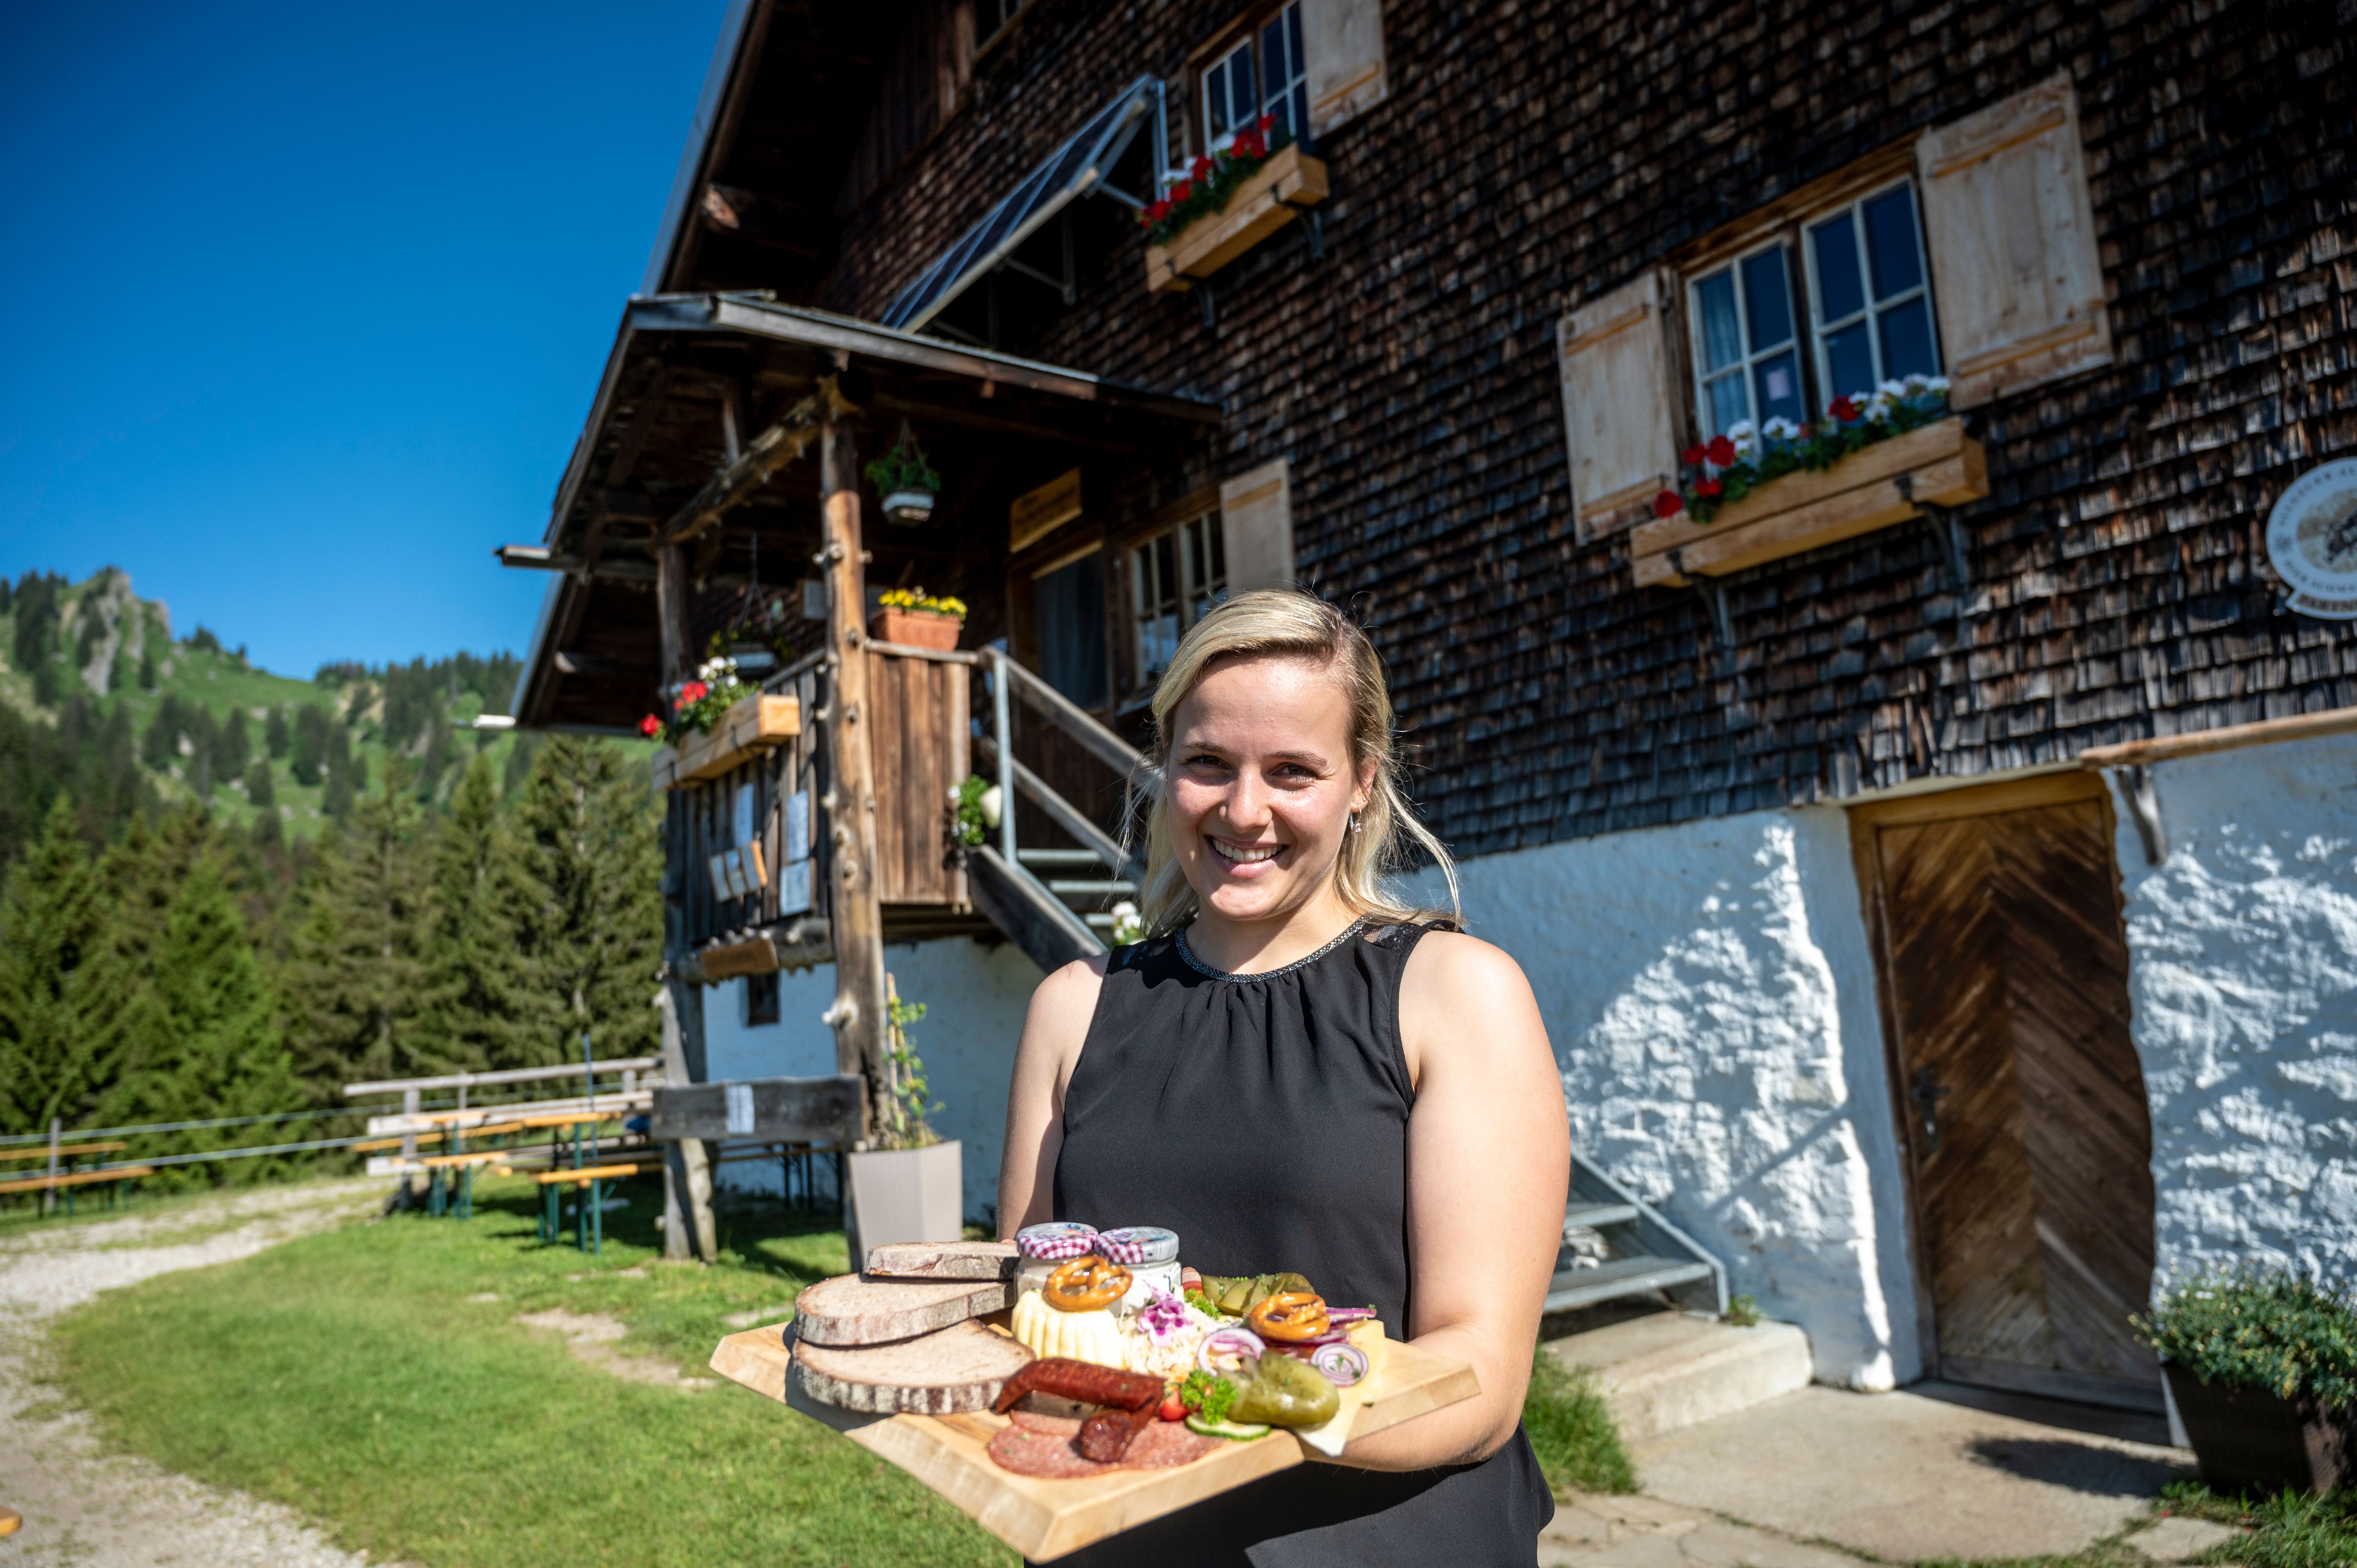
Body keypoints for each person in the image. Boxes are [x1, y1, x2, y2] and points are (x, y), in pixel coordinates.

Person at [998, 589, 1570, 1566]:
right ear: (1167, 768)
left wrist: (1203, 1409)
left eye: (1293, 771)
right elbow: (1033, 1305)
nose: (1244, 809)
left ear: (1362, 783)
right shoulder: (1073, 1005)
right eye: (1209, 763)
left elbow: (1477, 1372)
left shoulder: (1454, 993)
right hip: (1119, 1537)